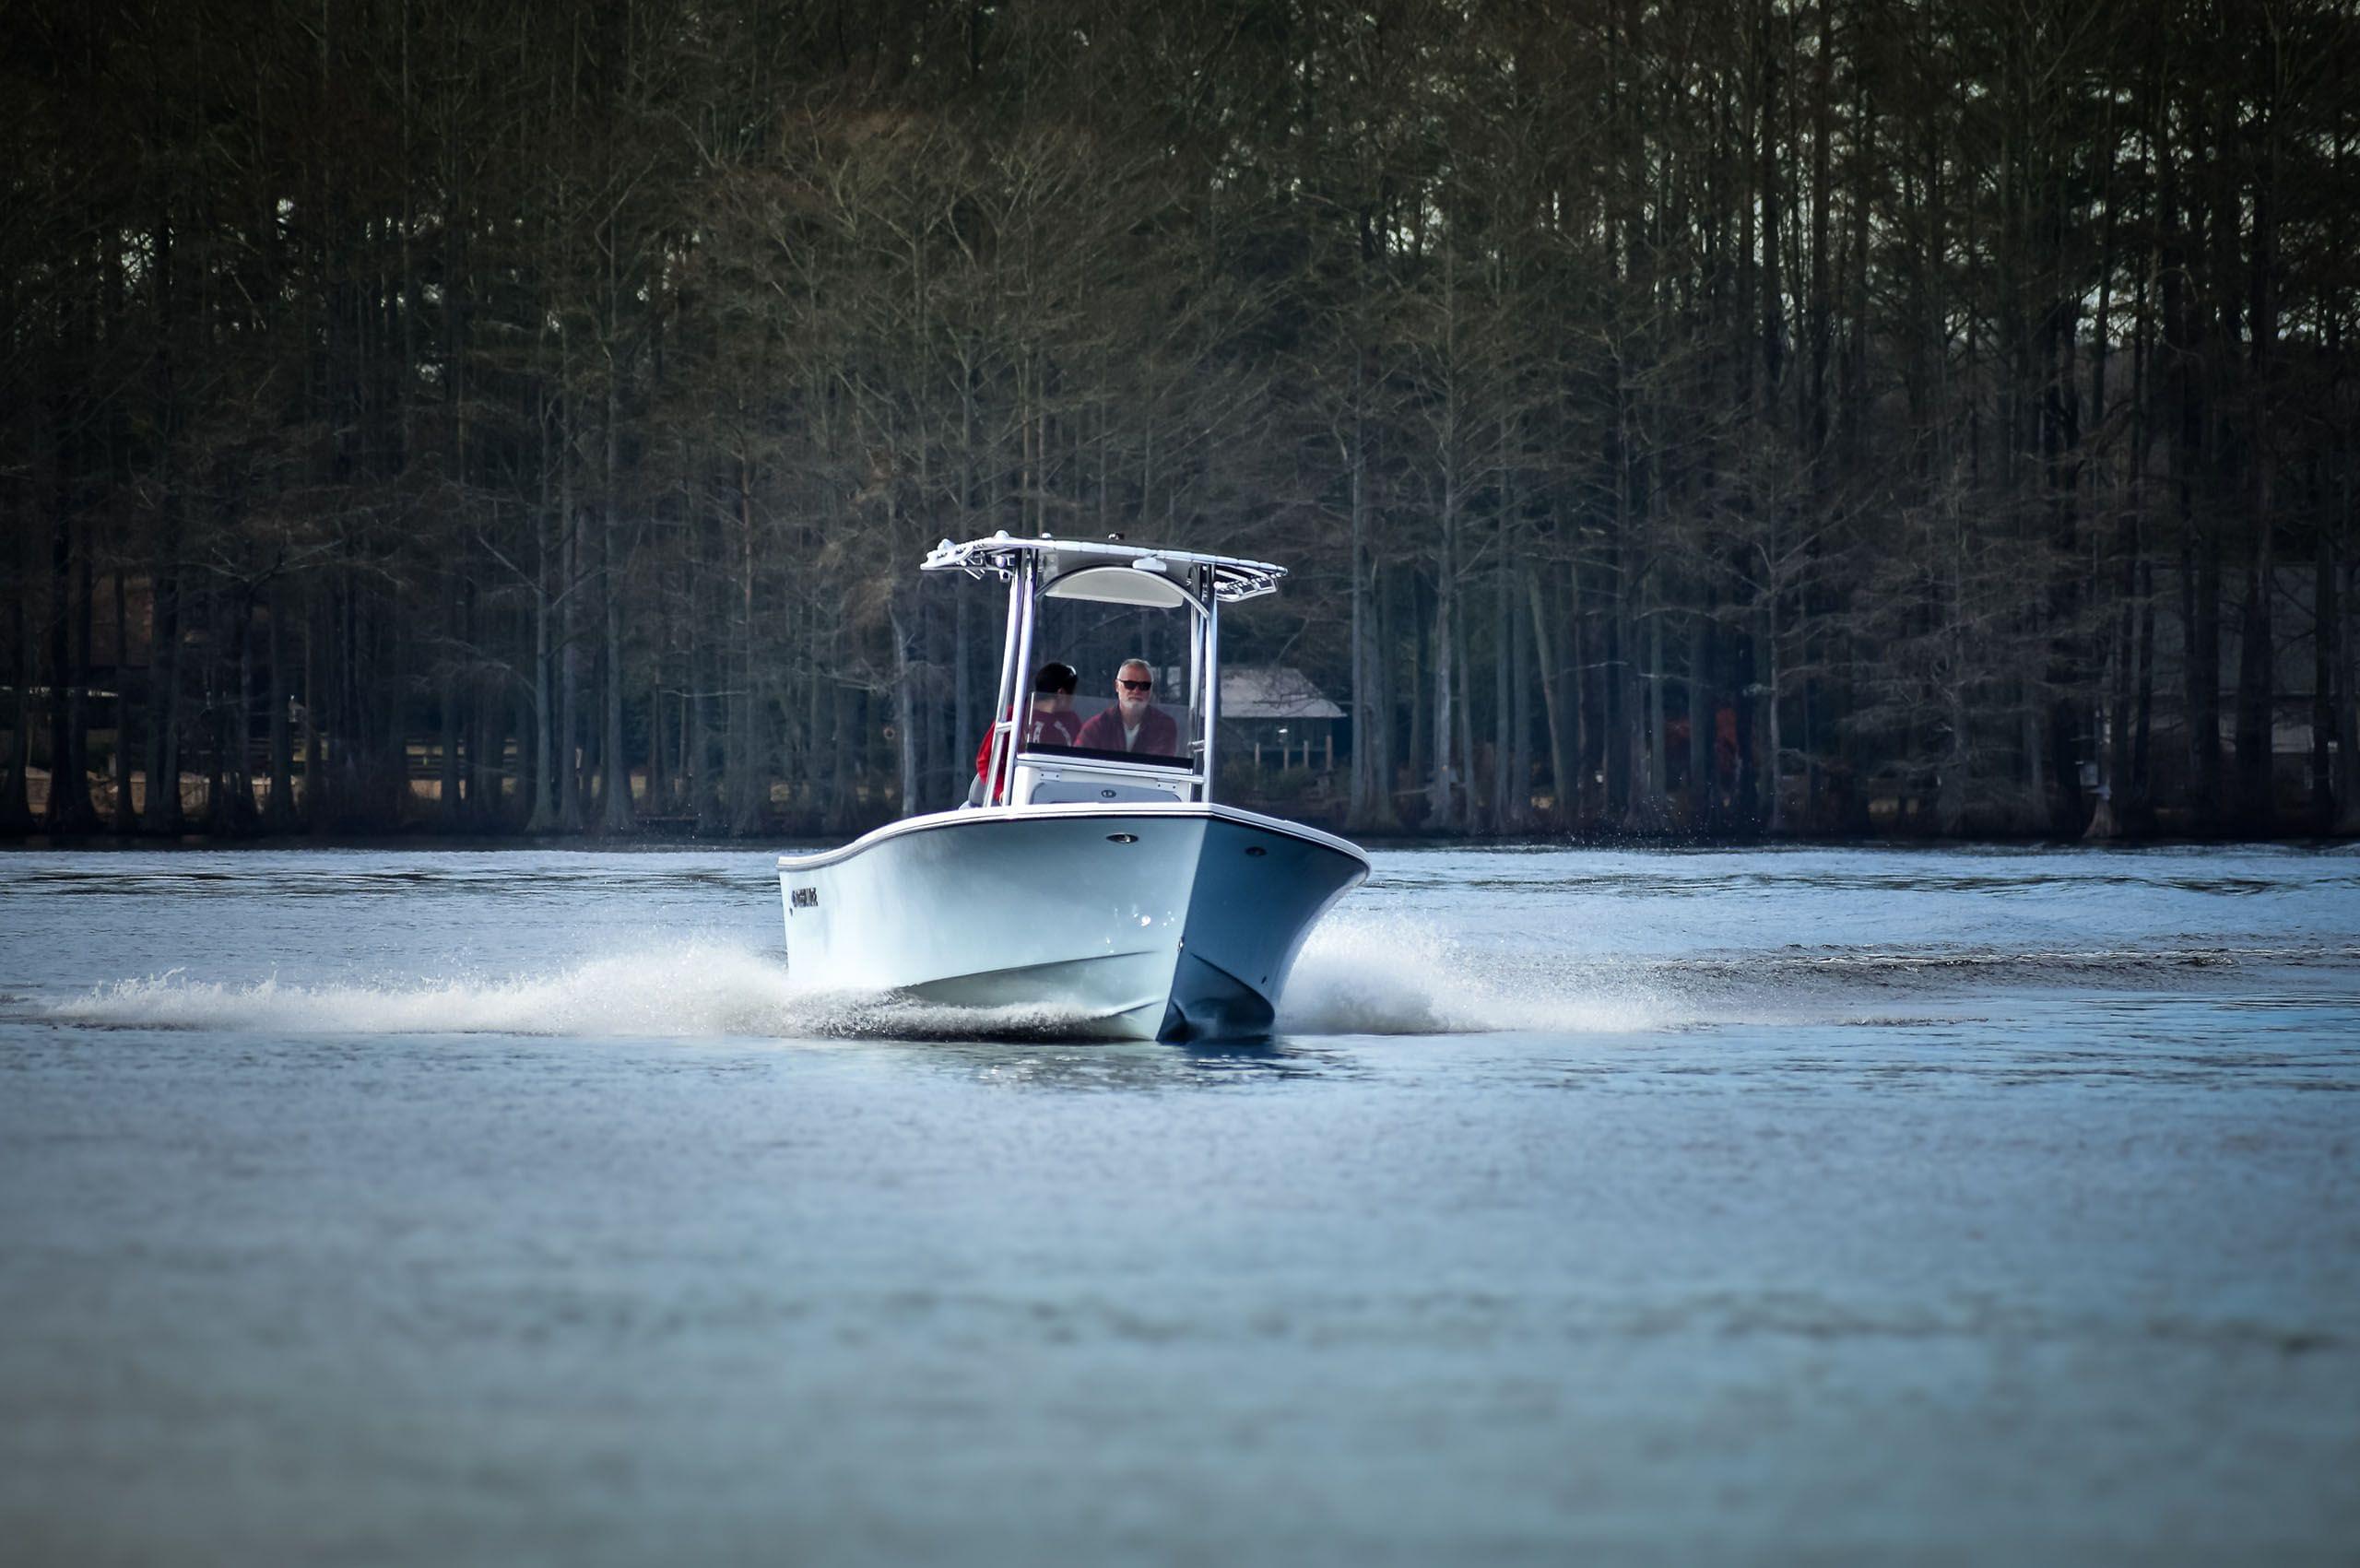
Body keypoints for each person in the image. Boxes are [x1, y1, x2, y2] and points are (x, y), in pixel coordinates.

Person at [971, 662, 1083, 804]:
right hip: (1014, 798)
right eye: (1072, 693)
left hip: (1059, 798)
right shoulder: (1014, 716)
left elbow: (1081, 757)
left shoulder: (1072, 720)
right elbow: (986, 761)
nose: (1073, 699)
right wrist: (1002, 791)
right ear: (1061, 694)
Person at [1072, 658, 1181, 759]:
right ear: (1117, 686)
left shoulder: (1164, 726)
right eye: (1129, 684)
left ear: (1151, 689)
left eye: (1144, 686)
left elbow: (1159, 767)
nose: (1136, 691)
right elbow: (1078, 762)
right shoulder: (1097, 727)